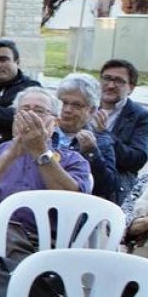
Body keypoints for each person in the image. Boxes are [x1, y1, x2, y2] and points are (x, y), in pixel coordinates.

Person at [0, 87, 91, 276]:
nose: (31, 117)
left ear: (54, 122)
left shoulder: (73, 161)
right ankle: (38, 285)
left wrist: (40, 152)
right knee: (4, 235)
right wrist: (11, 154)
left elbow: (74, 204)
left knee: (12, 259)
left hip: (46, 243)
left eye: (39, 111)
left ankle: (25, 288)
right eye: (24, 110)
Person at [54, 74, 119, 203]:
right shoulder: (44, 131)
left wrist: (91, 153)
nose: (67, 110)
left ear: (92, 110)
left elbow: (108, 188)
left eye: (77, 105)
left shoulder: (100, 140)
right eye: (63, 103)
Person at [96, 59, 148, 201]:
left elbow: (137, 160)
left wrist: (105, 135)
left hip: (115, 185)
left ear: (131, 88)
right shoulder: (86, 106)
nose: (110, 85)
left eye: (119, 81)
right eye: (106, 79)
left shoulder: (141, 117)